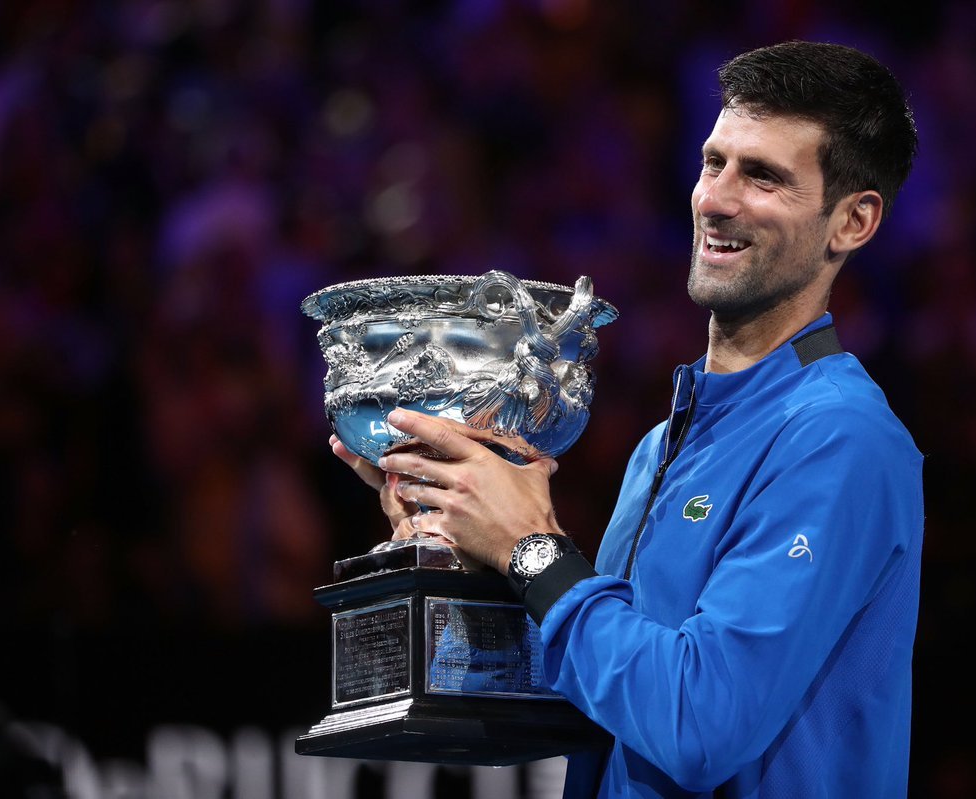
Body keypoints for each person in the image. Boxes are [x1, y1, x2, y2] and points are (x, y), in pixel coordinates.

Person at [332, 40, 923, 798]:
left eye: (764, 176)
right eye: (714, 163)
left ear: (852, 221)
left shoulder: (839, 437)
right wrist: (457, 541)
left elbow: (700, 724)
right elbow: (610, 697)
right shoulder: (665, 443)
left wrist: (534, 551)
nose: (717, 200)